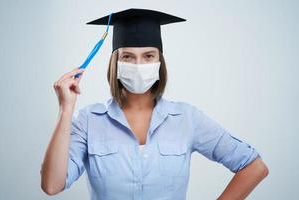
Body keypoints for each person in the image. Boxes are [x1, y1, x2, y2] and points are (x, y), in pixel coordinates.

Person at [40, 8, 269, 200]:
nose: (139, 64)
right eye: (128, 57)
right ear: (115, 63)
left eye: (148, 56)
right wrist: (65, 109)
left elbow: (254, 167)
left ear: (159, 61)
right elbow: (52, 185)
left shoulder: (186, 118)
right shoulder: (89, 120)